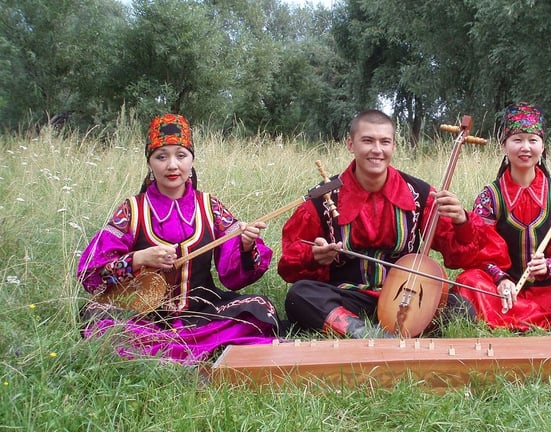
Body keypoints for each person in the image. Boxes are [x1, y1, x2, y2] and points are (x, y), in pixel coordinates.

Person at [278, 109, 504, 338]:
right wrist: (313, 255)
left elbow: (459, 258)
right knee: (300, 294)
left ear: (393, 146)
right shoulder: (323, 198)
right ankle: (364, 332)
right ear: (350, 144)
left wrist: (462, 221)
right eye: (368, 141)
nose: (377, 150)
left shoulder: (419, 194)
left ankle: (370, 329)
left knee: (461, 307)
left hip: (408, 297)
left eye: (385, 142)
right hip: (347, 297)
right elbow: (289, 264)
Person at [77, 114, 282, 363]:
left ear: (192, 159)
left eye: (181, 155)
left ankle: (160, 352)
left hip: (203, 311)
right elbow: (91, 274)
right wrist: (138, 259)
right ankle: (204, 348)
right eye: (161, 156)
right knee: (100, 318)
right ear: (149, 163)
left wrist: (246, 245)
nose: (172, 165)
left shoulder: (209, 206)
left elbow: (233, 277)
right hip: (143, 315)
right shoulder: (132, 210)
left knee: (260, 309)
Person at [454, 103, 551, 331]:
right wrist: (500, 278)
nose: (525, 147)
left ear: (542, 146)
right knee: (469, 282)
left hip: (547, 288)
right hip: (502, 290)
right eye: (517, 140)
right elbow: (478, 252)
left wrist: (550, 266)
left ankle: (510, 317)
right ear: (504, 146)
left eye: (532, 140)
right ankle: (544, 318)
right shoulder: (490, 196)